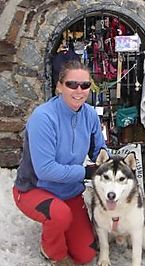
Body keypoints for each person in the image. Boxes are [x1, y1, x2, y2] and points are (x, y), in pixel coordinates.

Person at [12, 60, 107, 266]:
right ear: (59, 86)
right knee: (59, 215)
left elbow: (99, 150)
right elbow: (45, 170)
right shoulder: (43, 118)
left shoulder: (89, 114)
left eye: (85, 85)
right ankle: (52, 251)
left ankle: (58, 224)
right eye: (72, 84)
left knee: (86, 255)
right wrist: (85, 173)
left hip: (69, 191)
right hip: (33, 189)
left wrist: (110, 164)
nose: (79, 90)